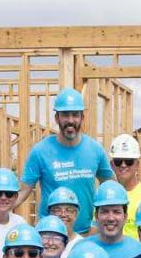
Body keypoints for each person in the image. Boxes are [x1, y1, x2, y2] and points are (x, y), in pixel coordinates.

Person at [13, 88, 114, 235]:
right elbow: (22, 192)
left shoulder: (95, 150)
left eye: (75, 115)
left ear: (82, 117)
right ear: (57, 118)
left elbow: (111, 185)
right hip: (51, 235)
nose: (70, 120)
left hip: (85, 234)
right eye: (65, 115)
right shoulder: (40, 151)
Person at [84, 180, 141, 258]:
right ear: (96, 216)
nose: (111, 218)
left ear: (125, 217)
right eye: (105, 212)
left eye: (116, 212)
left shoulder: (139, 252)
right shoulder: (82, 250)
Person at [108, 133, 141, 239]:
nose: (123, 165)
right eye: (118, 161)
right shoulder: (105, 196)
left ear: (137, 164)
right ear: (112, 165)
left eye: (129, 161)